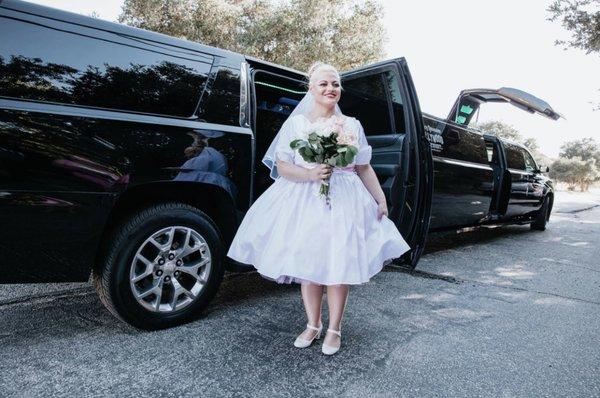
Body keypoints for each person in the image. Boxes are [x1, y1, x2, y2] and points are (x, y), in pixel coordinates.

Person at [226, 61, 410, 355]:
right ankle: (313, 324)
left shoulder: (351, 125)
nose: (330, 89)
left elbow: (363, 167)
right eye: (324, 83)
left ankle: (334, 329)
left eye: (335, 84)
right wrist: (311, 174)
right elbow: (284, 166)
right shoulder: (297, 125)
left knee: (340, 265)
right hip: (306, 199)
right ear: (311, 89)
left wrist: (381, 198)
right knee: (308, 266)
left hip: (346, 200)